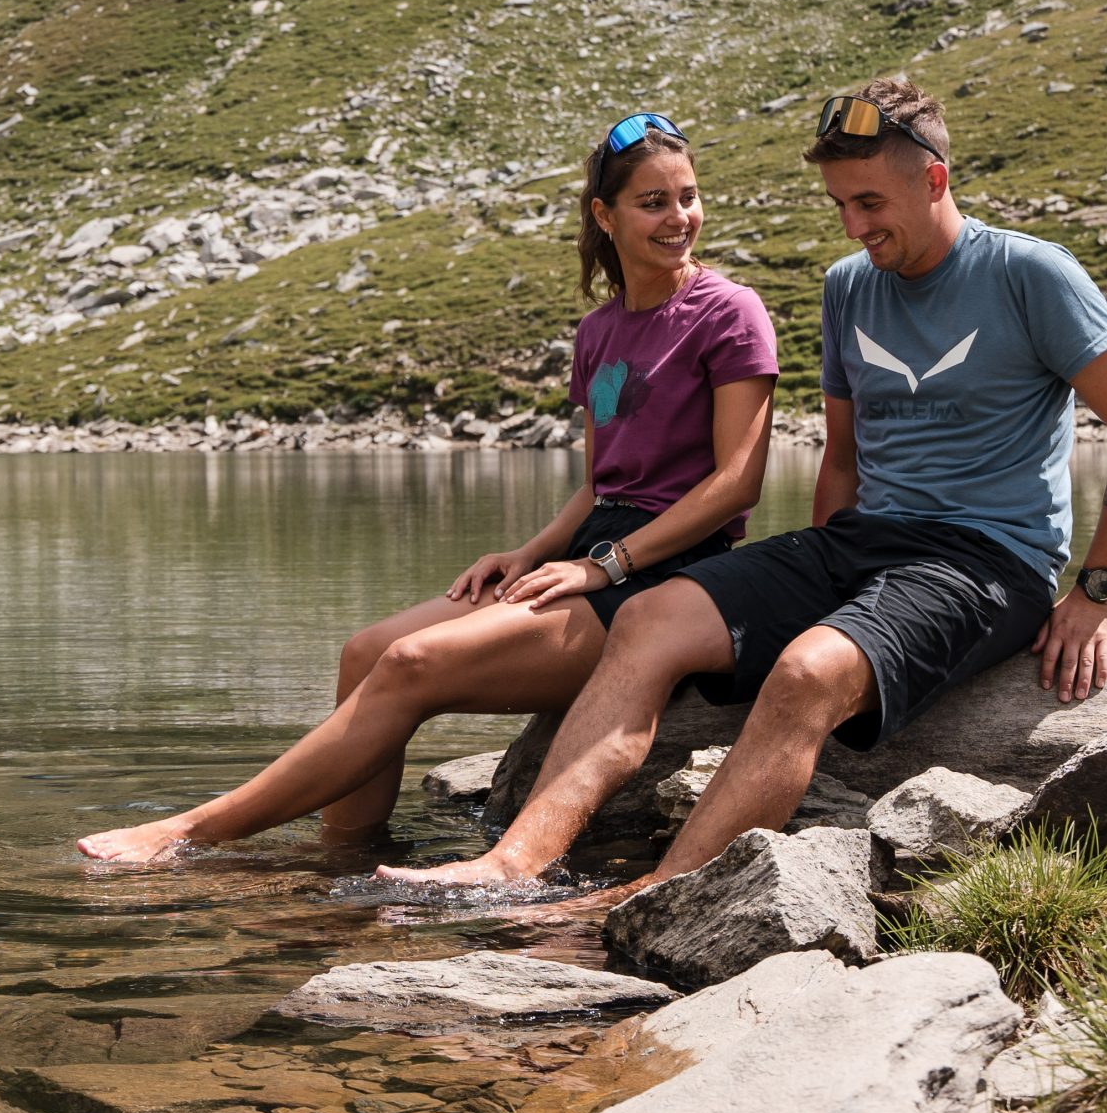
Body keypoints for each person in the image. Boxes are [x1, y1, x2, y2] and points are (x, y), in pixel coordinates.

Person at [380, 73, 1107, 893]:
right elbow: (841, 456)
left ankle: (652, 897)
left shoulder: (1029, 273)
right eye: (839, 206)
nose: (854, 226)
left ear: (934, 179)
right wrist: (821, 572)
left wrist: (1098, 590)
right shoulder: (848, 286)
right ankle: (507, 865)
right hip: (861, 543)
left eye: (870, 203)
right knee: (649, 615)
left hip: (986, 561)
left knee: (806, 673)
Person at [77, 111, 778, 864]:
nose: (680, 219)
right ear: (605, 216)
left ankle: (191, 831)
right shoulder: (599, 331)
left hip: (662, 580)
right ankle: (341, 862)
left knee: (414, 665)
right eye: (654, 202)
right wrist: (528, 551)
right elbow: (601, 483)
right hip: (589, 553)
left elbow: (736, 483)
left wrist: (603, 566)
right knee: (364, 651)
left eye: (689, 197)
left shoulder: (729, 313)